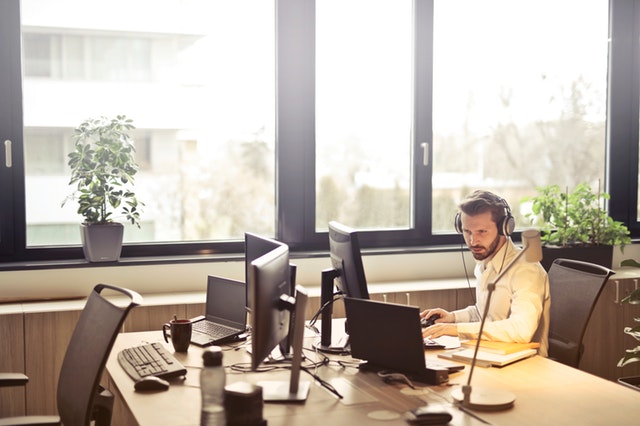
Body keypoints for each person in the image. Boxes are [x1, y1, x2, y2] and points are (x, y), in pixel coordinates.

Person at [421, 190, 550, 356]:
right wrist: (452, 317)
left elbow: (521, 330)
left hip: (526, 364)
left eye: (482, 232)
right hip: (491, 353)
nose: (473, 241)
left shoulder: (526, 270)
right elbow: (485, 314)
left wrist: (455, 329)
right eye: (467, 232)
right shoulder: (485, 263)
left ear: (505, 228)